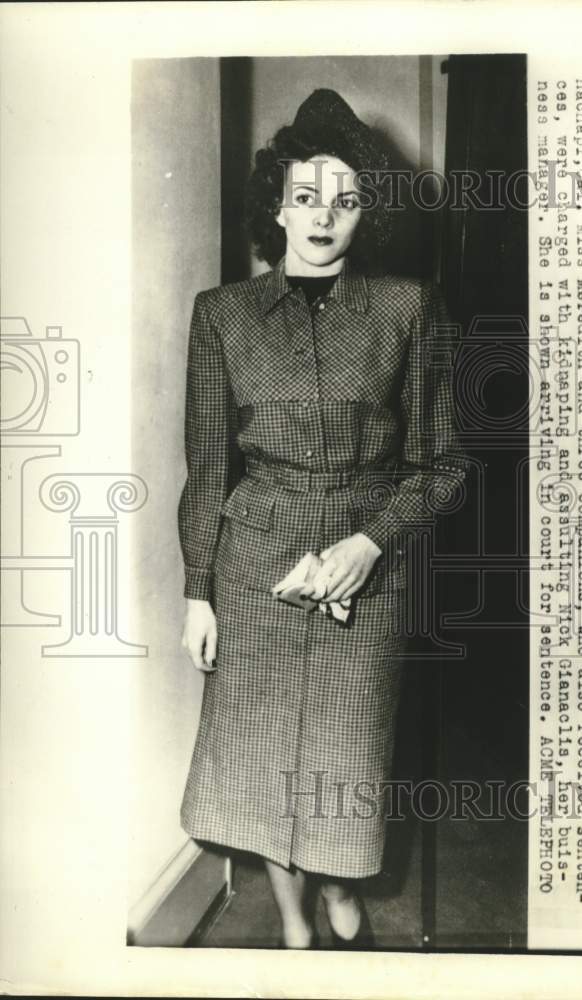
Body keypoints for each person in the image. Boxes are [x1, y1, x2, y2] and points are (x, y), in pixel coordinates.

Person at [177, 89, 467, 949]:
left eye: (346, 199)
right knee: (266, 757)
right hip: (254, 558)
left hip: (368, 556)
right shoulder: (221, 315)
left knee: (348, 753)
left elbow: (443, 464)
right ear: (277, 204)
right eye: (306, 196)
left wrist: (368, 543)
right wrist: (199, 590)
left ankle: (345, 889)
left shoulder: (407, 308)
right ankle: (298, 927)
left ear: (366, 213)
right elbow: (208, 468)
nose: (324, 217)